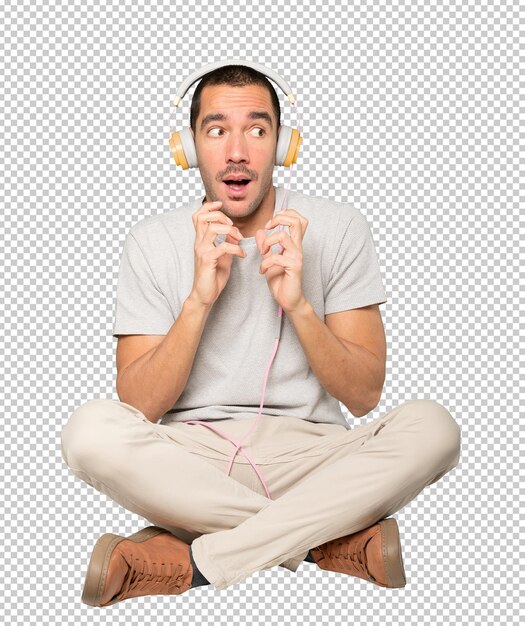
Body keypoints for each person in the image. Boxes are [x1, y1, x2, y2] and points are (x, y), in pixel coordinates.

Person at [61, 62, 461, 607]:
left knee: (434, 428)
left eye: (257, 128)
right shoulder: (150, 241)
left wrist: (297, 303)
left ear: (283, 144)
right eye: (216, 129)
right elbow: (139, 405)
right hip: (191, 460)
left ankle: (199, 560)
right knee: (88, 432)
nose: (237, 152)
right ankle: (324, 541)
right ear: (188, 146)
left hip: (314, 456)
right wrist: (199, 299)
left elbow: (364, 394)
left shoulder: (339, 227)